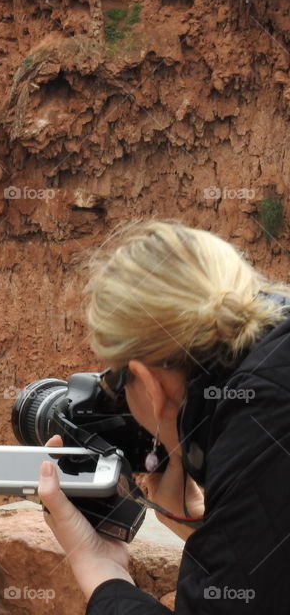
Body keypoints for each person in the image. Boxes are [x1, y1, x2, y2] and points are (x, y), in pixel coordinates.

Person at [38, 220, 290, 614]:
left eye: (117, 383)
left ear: (148, 382)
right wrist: (199, 523)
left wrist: (101, 571)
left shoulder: (263, 424)